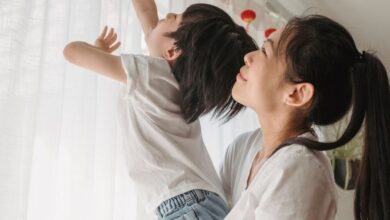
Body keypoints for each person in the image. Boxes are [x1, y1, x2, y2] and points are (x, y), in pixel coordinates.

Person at [63, 1, 257, 219]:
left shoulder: (152, 74)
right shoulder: (169, 80)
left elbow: (72, 52)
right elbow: (148, 15)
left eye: (176, 18)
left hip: (186, 205)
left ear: (172, 51)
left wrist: (96, 50)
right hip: (197, 201)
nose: (171, 13)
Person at [220, 15, 390, 220]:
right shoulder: (243, 147)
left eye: (265, 51)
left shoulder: (300, 170)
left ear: (297, 94)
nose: (248, 56)